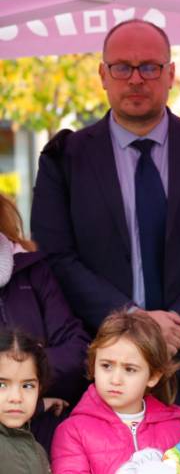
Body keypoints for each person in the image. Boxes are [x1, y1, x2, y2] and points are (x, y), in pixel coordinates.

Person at [31, 19, 180, 473]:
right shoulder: (65, 158)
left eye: (149, 67)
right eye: (122, 67)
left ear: (171, 74)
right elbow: (56, 258)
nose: (135, 79)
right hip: (101, 379)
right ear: (102, 74)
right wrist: (133, 322)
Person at [51, 311, 180, 473]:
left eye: (129, 369)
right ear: (93, 366)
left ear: (153, 376)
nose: (115, 379)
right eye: (106, 366)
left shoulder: (178, 431)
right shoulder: (73, 431)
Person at [0, 194, 89, 453]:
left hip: (45, 442)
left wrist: (17, 380)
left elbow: (78, 350)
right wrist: (34, 400)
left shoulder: (31, 268)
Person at [0, 329, 52, 474]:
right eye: (1, 385)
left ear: (39, 389)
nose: (16, 397)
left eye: (27, 386)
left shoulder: (38, 452)